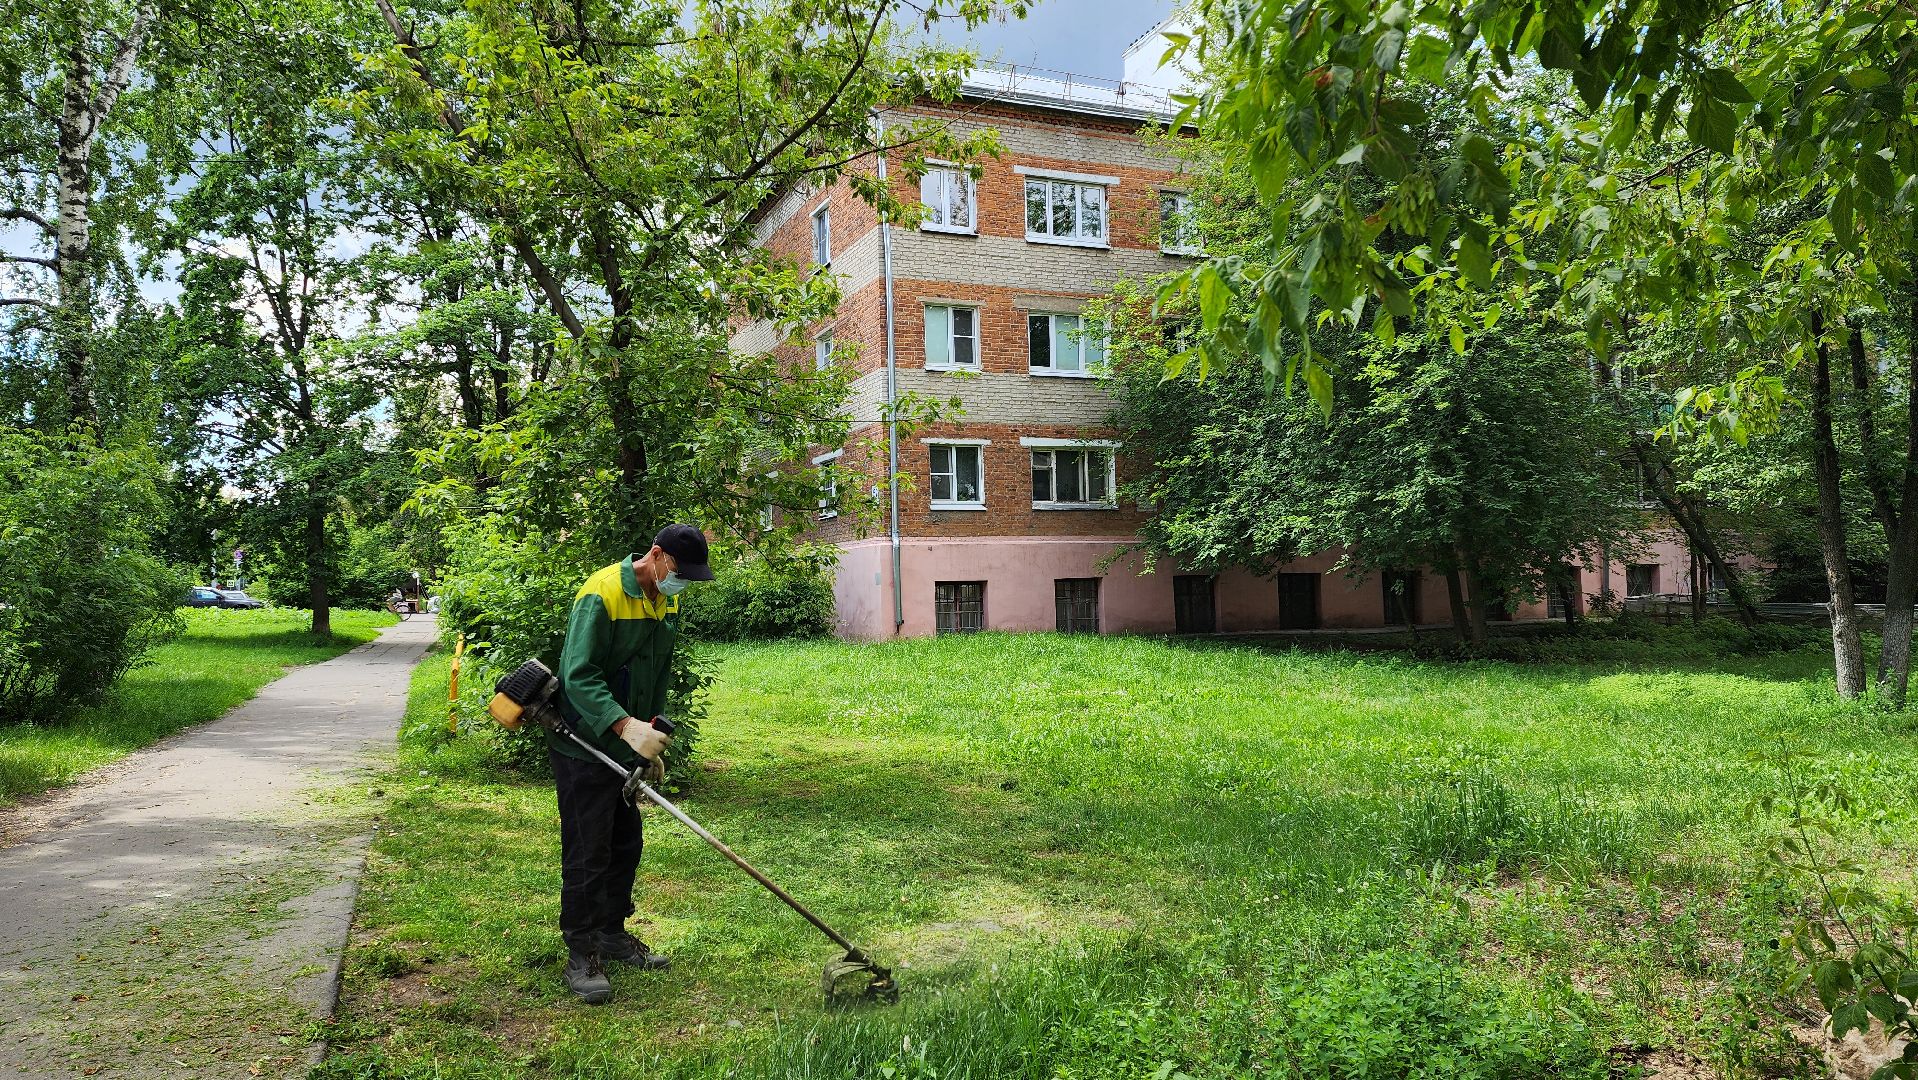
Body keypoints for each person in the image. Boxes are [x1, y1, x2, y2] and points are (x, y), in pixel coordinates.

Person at [552, 523, 713, 1004]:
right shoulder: (600, 594)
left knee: (625, 842)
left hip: (626, 743)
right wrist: (625, 728)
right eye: (679, 572)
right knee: (588, 848)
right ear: (657, 555)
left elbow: (655, 673)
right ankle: (581, 953)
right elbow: (576, 676)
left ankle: (611, 934)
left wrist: (652, 738)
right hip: (583, 741)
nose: (681, 582)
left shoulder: (667, 602)